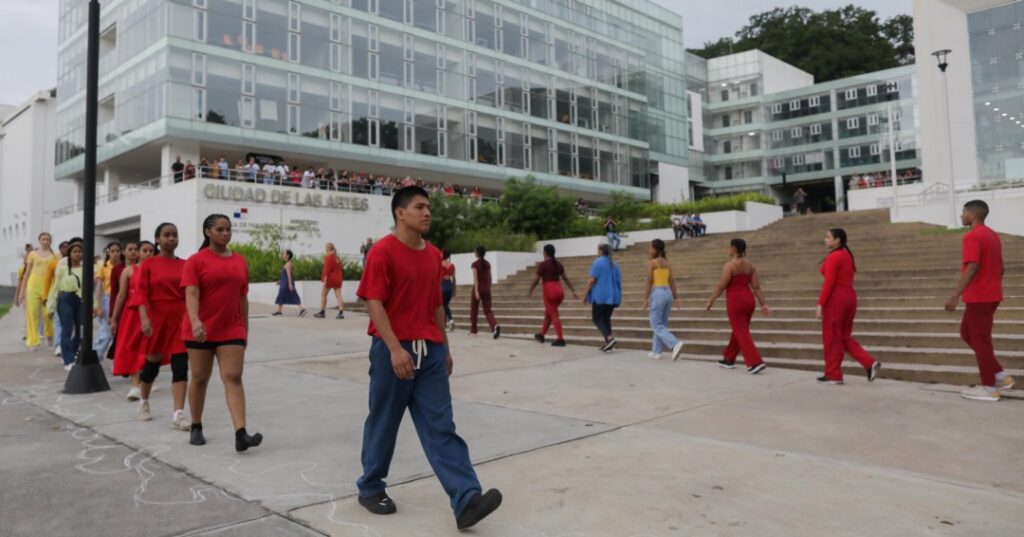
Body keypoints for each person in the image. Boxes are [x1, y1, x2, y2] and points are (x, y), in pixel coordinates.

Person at [355, 186, 502, 528]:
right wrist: (394, 348)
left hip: (430, 353)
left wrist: (444, 348)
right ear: (400, 213)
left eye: (428, 207)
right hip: (393, 350)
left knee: (441, 426)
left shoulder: (433, 254)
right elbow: (374, 302)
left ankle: (466, 498)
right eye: (419, 207)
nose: (427, 213)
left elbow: (436, 304)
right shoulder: (382, 251)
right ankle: (371, 487)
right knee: (384, 421)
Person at [183, 214, 263, 450]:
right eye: (220, 229)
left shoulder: (239, 261)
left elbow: (243, 297)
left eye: (228, 229)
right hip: (201, 328)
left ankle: (241, 434)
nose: (226, 233)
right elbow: (191, 293)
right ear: (208, 232)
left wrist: (244, 328)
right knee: (200, 378)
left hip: (232, 328)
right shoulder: (196, 261)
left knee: (233, 376)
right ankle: (196, 425)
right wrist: (195, 320)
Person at [945, 200, 1013, 401]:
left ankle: (989, 388)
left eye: (964, 212)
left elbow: (972, 266)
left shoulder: (972, 236)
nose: (961, 215)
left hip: (980, 297)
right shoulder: (992, 235)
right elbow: (1001, 267)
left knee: (981, 341)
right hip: (990, 294)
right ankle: (1000, 375)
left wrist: (955, 295)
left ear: (972, 215)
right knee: (967, 333)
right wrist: (991, 283)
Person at [135, 223, 191, 430]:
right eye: (167, 235)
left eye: (174, 235)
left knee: (180, 365)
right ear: (157, 239)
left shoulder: (185, 264)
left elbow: (191, 293)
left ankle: (178, 413)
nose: (171, 238)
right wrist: (144, 318)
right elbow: (141, 293)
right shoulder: (149, 264)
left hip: (180, 319)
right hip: (157, 319)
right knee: (152, 365)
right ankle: (143, 401)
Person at [816, 228, 881, 385]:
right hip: (850, 297)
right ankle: (869, 363)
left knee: (832, 337)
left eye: (828, 237)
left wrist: (820, 303)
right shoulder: (846, 255)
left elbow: (829, 282)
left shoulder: (834, 257)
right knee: (843, 336)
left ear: (837, 240)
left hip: (836, 299)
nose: (825, 239)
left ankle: (833, 374)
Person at [705, 239, 769, 373]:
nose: (728, 249)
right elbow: (756, 287)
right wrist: (763, 303)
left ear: (733, 249)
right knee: (739, 330)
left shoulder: (729, 266)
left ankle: (755, 362)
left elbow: (721, 286)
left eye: (730, 247)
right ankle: (729, 358)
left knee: (741, 331)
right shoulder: (750, 266)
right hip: (749, 301)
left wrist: (711, 300)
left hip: (736, 301)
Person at [111, 241, 153, 400]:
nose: (148, 253)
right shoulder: (128, 271)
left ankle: (146, 379)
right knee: (132, 348)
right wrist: (114, 318)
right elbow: (121, 295)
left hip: (152, 312)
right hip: (132, 314)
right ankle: (135, 385)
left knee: (149, 348)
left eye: (151, 250)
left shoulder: (156, 270)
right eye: (144, 250)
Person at [527, 244, 578, 347]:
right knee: (548, 314)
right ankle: (541, 335)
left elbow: (536, 279)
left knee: (554, 315)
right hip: (559, 291)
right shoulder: (558, 264)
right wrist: (573, 290)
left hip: (549, 291)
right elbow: (565, 278)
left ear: (545, 252)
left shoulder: (543, 265)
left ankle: (560, 339)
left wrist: (530, 289)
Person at [643, 239, 685, 361]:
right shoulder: (667, 263)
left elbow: (649, 282)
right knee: (662, 324)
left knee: (656, 324)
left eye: (651, 248)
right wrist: (676, 297)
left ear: (655, 249)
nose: (650, 250)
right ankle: (656, 351)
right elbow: (671, 281)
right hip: (668, 294)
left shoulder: (652, 263)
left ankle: (675, 343)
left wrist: (645, 299)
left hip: (658, 293)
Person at [46, 242, 84, 371]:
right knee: (66, 329)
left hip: (81, 300)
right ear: (69, 254)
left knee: (80, 330)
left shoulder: (87, 269)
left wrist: (94, 305)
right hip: (66, 299)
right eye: (74, 252)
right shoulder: (63, 269)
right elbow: (56, 288)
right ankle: (68, 359)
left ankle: (71, 351)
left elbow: (90, 289)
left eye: (80, 251)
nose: (77, 254)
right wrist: (51, 307)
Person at [16, 232, 56, 350]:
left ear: (50, 241)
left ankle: (49, 334)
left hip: (48, 285)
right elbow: (27, 272)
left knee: (47, 313)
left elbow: (56, 273)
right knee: (32, 313)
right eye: (43, 239)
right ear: (39, 241)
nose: (45, 241)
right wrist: (22, 291)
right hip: (33, 284)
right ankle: (33, 340)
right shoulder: (32, 254)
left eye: (47, 239)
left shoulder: (54, 255)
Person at [582, 244, 621, 352]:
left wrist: (585, 294)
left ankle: (610, 339)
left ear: (601, 251)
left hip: (600, 295)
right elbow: (618, 281)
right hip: (612, 296)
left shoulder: (598, 262)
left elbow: (591, 280)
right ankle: (609, 342)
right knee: (606, 319)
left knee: (597, 318)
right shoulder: (614, 264)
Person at [93, 242, 122, 359]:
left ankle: (117, 361)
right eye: (113, 251)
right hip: (107, 299)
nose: (115, 254)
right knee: (107, 331)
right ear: (108, 252)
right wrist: (98, 306)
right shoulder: (103, 266)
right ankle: (96, 357)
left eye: (117, 251)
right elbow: (98, 287)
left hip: (121, 298)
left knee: (120, 333)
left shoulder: (123, 266)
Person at [470, 246, 501, 339]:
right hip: (487, 289)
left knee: (474, 309)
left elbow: (475, 279)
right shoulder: (488, 264)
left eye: (475, 251)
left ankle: (474, 330)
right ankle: (494, 325)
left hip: (478, 288)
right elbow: (490, 278)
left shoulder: (474, 264)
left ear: (477, 253)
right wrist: (488, 287)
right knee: (488, 310)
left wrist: (476, 291)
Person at [314, 242, 345, 319]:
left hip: (330, 279)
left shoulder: (328, 257)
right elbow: (340, 268)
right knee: (339, 296)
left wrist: (325, 280)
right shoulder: (337, 257)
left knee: (323, 295)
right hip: (338, 278)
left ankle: (322, 312)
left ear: (327, 248)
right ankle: (341, 313)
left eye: (325, 248)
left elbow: (327, 270)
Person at [273, 250, 307, 316]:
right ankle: (279, 311)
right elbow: (285, 275)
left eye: (284, 254)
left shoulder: (288, 264)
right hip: (284, 282)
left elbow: (289, 275)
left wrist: (290, 284)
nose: (283, 255)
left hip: (286, 283)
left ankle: (302, 309)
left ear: (287, 255)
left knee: (293, 296)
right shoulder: (287, 263)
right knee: (281, 296)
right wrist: (280, 281)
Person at [440, 249, 457, 331]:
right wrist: (454, 290)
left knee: (444, 305)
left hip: (442, 284)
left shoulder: (439, 264)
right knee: (445, 304)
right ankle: (444, 324)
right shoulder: (452, 265)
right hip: (449, 285)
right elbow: (454, 278)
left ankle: (450, 319)